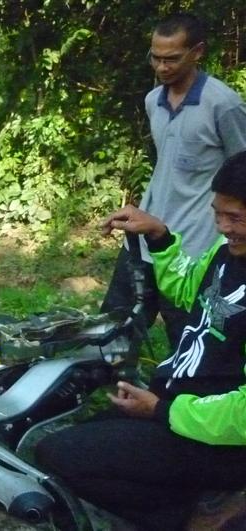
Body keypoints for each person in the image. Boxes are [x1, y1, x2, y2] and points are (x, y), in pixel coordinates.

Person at [35, 150, 246, 531]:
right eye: (217, 214)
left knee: (57, 456)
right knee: (75, 441)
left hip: (218, 440)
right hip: (178, 408)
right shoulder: (227, 253)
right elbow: (188, 291)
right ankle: (199, 495)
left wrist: (162, 411)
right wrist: (159, 237)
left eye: (235, 218)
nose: (222, 227)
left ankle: (196, 515)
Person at [101, 12, 246, 350]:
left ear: (198, 52)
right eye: (156, 58)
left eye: (172, 59)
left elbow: (241, 173)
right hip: (144, 237)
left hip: (191, 250)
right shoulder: (153, 100)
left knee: (188, 342)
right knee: (112, 335)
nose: (162, 67)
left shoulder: (223, 105)